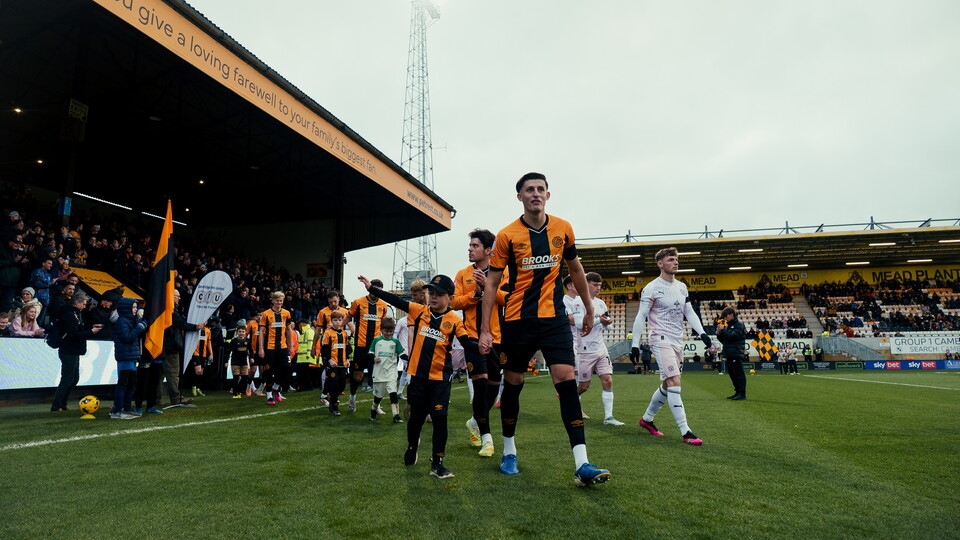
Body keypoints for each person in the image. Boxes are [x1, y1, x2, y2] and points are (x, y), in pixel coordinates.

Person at [478, 172, 610, 487]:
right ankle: (509, 450)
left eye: (541, 189)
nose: (536, 194)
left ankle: (582, 463)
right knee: (514, 382)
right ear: (520, 197)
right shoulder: (507, 235)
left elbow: (575, 268)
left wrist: (590, 309)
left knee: (566, 379)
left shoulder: (563, 228)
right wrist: (486, 330)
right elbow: (492, 283)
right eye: (529, 190)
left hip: (554, 320)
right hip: (517, 321)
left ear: (548, 195)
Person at [359, 274, 478, 480]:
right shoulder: (419, 311)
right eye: (431, 293)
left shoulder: (454, 320)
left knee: (440, 420)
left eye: (439, 294)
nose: (433, 297)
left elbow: (467, 344)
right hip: (419, 379)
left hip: (441, 380)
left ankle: (438, 463)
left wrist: (486, 348)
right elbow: (396, 300)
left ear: (449, 297)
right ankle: (412, 446)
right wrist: (373, 289)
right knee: (415, 420)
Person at [630, 247, 712, 445]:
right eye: (671, 260)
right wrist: (634, 344)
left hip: (677, 340)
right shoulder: (651, 288)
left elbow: (689, 312)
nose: (675, 262)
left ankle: (647, 419)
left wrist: (702, 333)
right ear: (660, 264)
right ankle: (686, 432)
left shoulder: (682, 287)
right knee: (674, 381)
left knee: (668, 384)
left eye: (676, 259)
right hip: (660, 338)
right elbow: (641, 315)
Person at [452, 228, 509, 458]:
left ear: (488, 250)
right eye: (470, 246)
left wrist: (488, 286)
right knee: (481, 384)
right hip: (473, 338)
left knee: (493, 390)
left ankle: (474, 422)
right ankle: (487, 438)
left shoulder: (501, 272)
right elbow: (454, 302)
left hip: (498, 338)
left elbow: (507, 298)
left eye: (475, 246)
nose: (470, 249)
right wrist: (474, 295)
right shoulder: (463, 274)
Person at [572, 272, 624, 426]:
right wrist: (598, 320)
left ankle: (608, 417)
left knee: (608, 380)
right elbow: (579, 324)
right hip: (585, 350)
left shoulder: (601, 303)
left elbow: (609, 327)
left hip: (601, 349)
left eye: (600, 285)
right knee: (583, 386)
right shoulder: (578, 302)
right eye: (595, 285)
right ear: (585, 284)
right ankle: (570, 402)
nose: (598, 288)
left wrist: (607, 323)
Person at [51, 291, 103, 411]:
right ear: (77, 303)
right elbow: (73, 334)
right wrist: (91, 332)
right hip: (68, 350)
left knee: (74, 378)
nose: (85, 307)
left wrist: (91, 328)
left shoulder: (75, 314)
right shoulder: (69, 315)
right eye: (84, 304)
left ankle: (62, 403)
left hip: (73, 350)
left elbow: (77, 330)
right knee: (67, 378)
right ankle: (56, 405)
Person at [347, 279, 390, 409]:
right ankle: (352, 397)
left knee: (379, 377)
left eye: (379, 291)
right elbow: (348, 317)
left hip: (377, 346)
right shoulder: (358, 303)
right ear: (369, 288)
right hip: (361, 346)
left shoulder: (383, 305)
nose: (376, 293)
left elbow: (383, 325)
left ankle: (377, 406)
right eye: (374, 289)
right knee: (358, 376)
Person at [161, 288, 202, 407]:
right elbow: (180, 323)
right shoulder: (171, 310)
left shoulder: (163, 308)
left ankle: (155, 398)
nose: (179, 298)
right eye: (176, 296)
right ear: (170, 296)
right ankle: (176, 398)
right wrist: (195, 327)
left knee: (159, 374)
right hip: (171, 346)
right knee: (173, 373)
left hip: (163, 345)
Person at [111, 297, 148, 419]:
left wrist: (140, 324)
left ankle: (126, 408)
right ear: (126, 308)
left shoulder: (131, 321)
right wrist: (139, 327)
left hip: (132, 357)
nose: (135, 309)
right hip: (125, 357)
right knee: (123, 384)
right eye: (133, 307)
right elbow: (126, 337)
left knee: (131, 384)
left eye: (136, 307)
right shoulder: (122, 321)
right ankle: (117, 410)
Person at [367, 317, 406, 423]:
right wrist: (374, 358)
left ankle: (396, 416)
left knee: (393, 393)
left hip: (391, 372)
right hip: (379, 372)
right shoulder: (376, 340)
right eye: (386, 331)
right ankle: (373, 411)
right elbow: (370, 353)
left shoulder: (395, 342)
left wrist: (409, 359)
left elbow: (401, 354)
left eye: (391, 331)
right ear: (381, 330)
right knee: (378, 396)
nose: (388, 334)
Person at [259, 291, 294, 405]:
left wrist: (291, 346)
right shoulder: (266, 314)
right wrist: (261, 348)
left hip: (282, 346)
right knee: (269, 371)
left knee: (286, 368)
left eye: (281, 301)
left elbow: (288, 330)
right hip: (269, 347)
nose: (279, 303)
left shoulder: (286, 313)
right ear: (273, 300)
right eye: (277, 300)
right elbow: (261, 332)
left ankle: (276, 386)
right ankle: (269, 395)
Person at [320, 309, 351, 415]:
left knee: (342, 385)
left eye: (339, 320)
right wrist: (329, 360)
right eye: (335, 320)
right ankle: (334, 407)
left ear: (342, 321)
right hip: (333, 364)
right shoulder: (328, 333)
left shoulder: (344, 333)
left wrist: (347, 359)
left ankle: (331, 398)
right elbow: (324, 348)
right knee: (334, 384)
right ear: (331, 321)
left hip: (342, 364)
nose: (337, 322)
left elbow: (347, 347)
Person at [715, 307, 747, 400]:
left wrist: (724, 330)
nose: (725, 319)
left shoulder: (739, 325)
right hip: (729, 353)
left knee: (738, 373)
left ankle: (742, 393)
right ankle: (737, 392)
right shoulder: (729, 326)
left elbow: (733, 336)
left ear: (731, 314)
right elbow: (725, 340)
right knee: (732, 374)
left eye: (725, 316)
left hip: (736, 352)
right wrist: (719, 333)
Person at [187, 324, 213, 397]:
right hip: (195, 353)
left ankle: (198, 388)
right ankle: (194, 388)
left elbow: (209, 342)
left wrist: (211, 353)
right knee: (197, 371)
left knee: (201, 372)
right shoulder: (196, 329)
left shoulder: (208, 331)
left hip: (203, 354)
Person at [227, 324, 252, 399]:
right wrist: (226, 361)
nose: (241, 333)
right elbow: (228, 351)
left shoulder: (247, 341)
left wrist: (252, 357)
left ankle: (238, 390)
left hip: (244, 361)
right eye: (240, 331)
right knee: (236, 378)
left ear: (245, 332)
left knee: (245, 377)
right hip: (235, 361)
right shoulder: (234, 341)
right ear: (237, 332)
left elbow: (251, 350)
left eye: (243, 331)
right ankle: (235, 393)